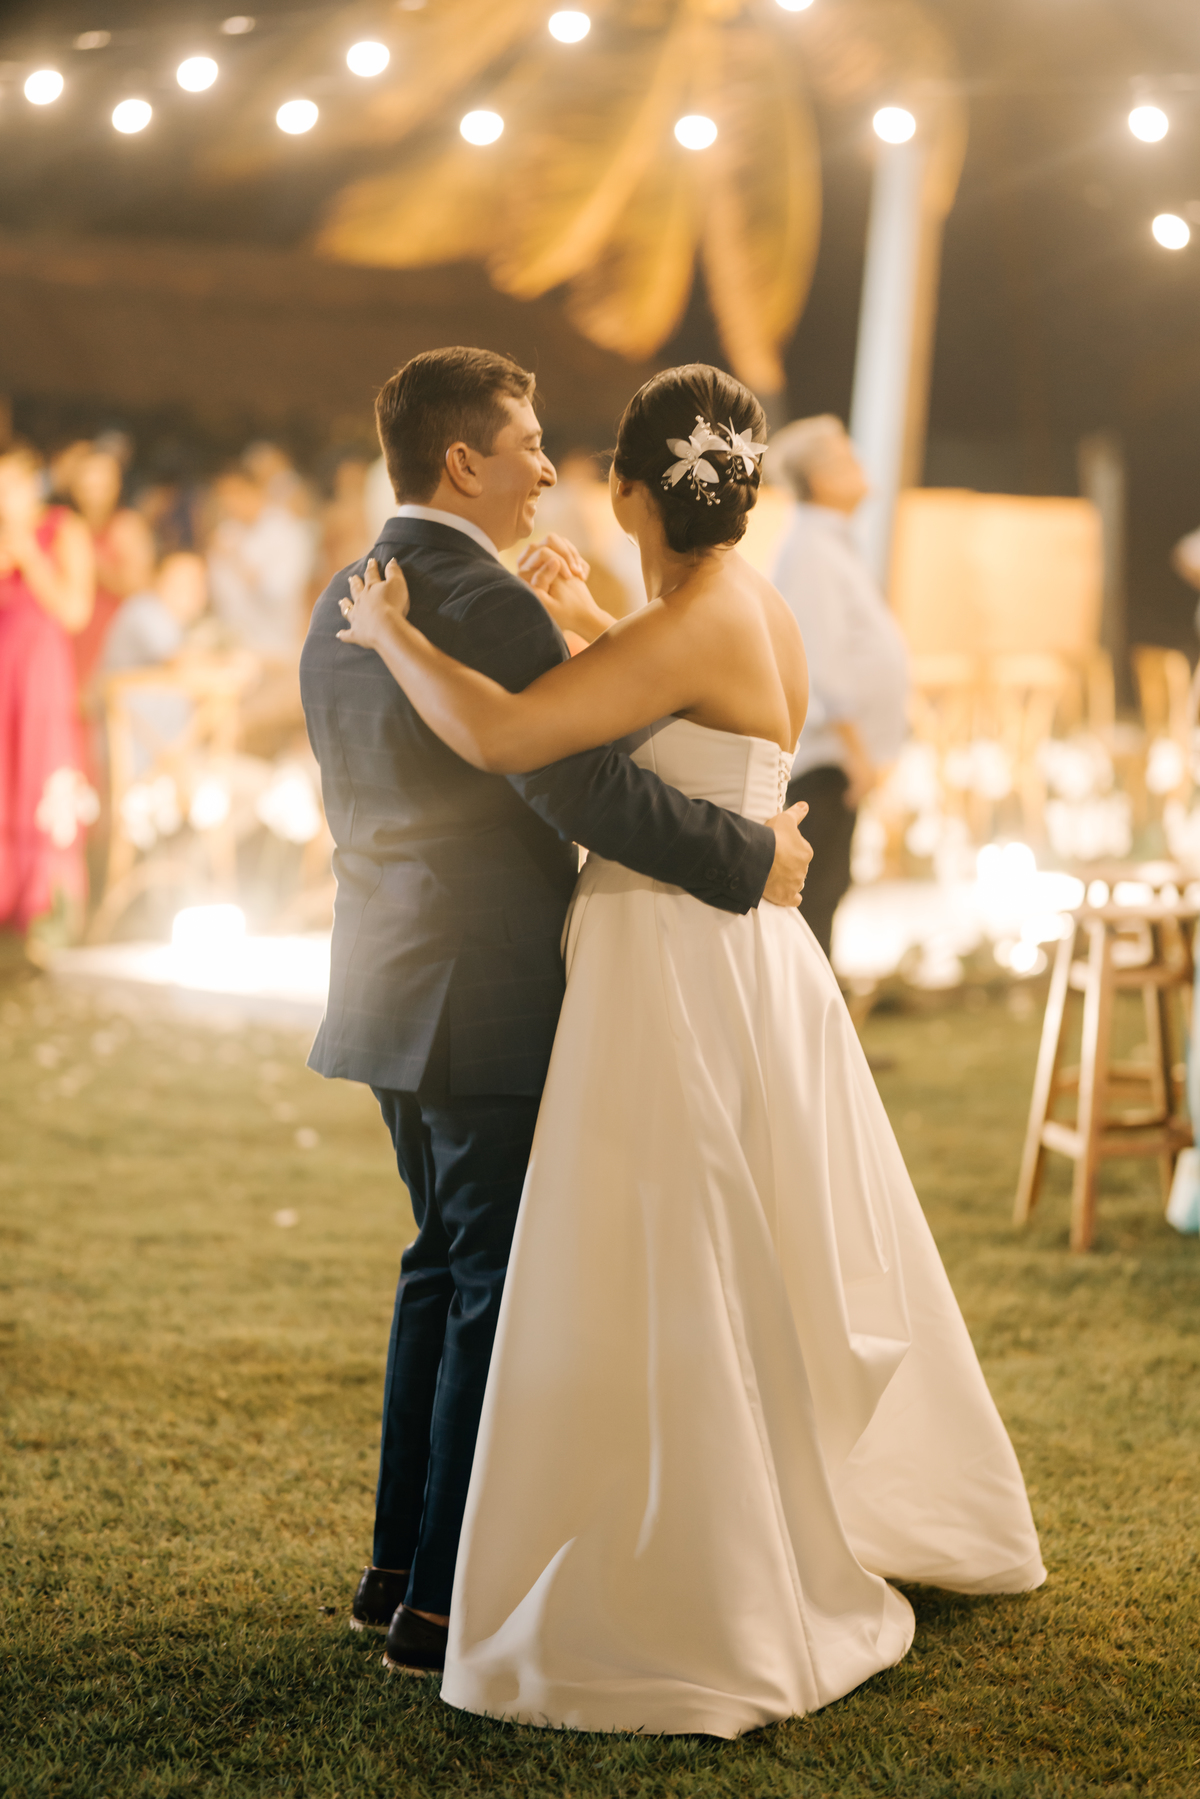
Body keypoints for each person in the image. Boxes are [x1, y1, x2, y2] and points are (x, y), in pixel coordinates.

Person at [336, 363, 1046, 1736]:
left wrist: (397, 636)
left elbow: (510, 732)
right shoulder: (745, 599)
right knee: (743, 1235)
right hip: (748, 959)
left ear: (628, 490)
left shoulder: (679, 623)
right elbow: (688, 707)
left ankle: (695, 1553)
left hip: (671, 958)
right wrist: (586, 607)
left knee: (672, 1247)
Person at [299, 348, 814, 1679]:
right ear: (462, 460)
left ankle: (394, 1570)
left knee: (438, 1264)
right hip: (492, 990)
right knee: (485, 1281)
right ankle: (437, 1600)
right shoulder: (478, 604)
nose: (545, 461)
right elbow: (586, 793)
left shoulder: (348, 595)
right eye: (525, 439)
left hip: (387, 983)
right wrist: (756, 856)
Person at [765, 415, 909, 960]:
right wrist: (855, 748)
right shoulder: (810, 550)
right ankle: (812, 1040)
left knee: (829, 890)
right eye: (847, 458)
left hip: (839, 756)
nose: (861, 466)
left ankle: (827, 1037)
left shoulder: (830, 545)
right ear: (819, 479)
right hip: (825, 759)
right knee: (814, 898)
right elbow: (819, 662)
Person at [0, 444, 96, 941]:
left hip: (40, 675)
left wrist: (29, 554)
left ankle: (46, 905)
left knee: (41, 775)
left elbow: (74, 609)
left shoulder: (63, 528)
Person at [67, 441, 157, 695]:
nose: (93, 492)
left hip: (113, 636)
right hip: (74, 634)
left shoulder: (126, 526)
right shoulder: (68, 526)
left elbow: (141, 588)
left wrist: (90, 561)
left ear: (116, 486)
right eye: (87, 483)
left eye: (101, 484)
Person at [206, 466, 314, 661]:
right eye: (224, 497)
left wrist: (238, 561)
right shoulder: (226, 533)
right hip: (234, 649)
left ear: (255, 490)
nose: (230, 503)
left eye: (236, 494)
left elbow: (280, 593)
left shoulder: (286, 531)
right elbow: (220, 594)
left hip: (276, 646)